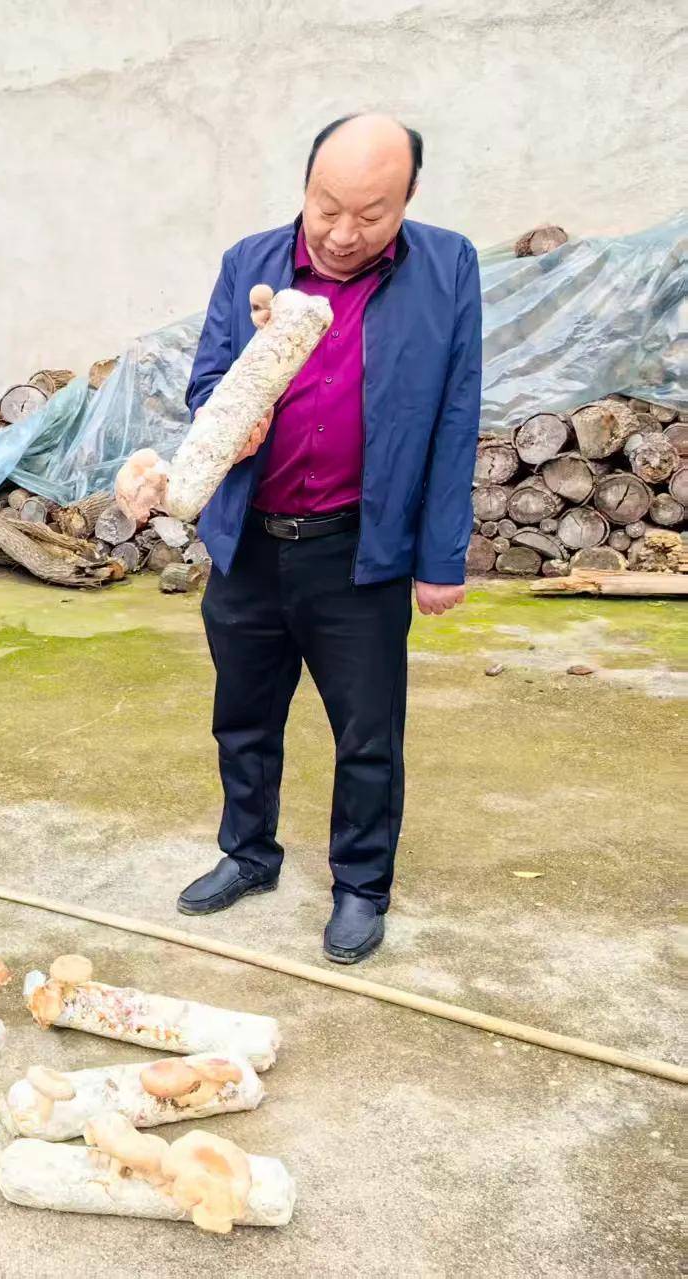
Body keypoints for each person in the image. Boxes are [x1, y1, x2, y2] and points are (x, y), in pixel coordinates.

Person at [175, 114, 481, 964]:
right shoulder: (249, 263)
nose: (345, 234)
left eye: (371, 215)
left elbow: (456, 414)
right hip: (251, 542)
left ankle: (360, 886)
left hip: (359, 548)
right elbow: (207, 380)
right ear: (305, 187)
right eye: (327, 208)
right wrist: (230, 417)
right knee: (242, 716)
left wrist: (440, 558)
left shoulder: (448, 267)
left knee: (368, 734)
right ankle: (248, 852)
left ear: (408, 199)